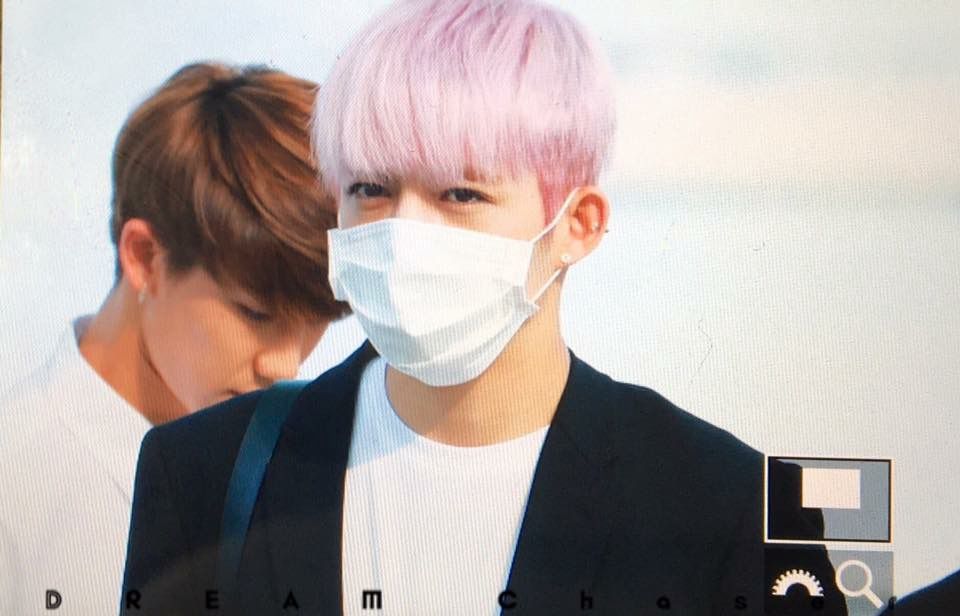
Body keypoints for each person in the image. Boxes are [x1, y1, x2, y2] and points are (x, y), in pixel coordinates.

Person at [122, 2, 844, 614]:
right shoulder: (201, 473)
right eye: (371, 188)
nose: (404, 231)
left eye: (460, 194)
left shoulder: (725, 507)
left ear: (578, 225)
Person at [0, 62, 349, 615]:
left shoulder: (303, 463)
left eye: (319, 320)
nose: (286, 365)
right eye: (255, 313)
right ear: (145, 257)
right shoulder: (15, 483)